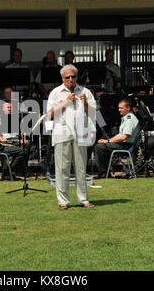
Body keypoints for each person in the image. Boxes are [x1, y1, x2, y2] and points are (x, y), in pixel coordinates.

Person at [47, 64, 96, 210]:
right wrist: (66, 101)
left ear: (77, 77)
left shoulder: (85, 92)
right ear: (62, 78)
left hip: (81, 134)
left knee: (81, 169)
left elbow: (93, 114)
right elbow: (49, 114)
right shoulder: (56, 93)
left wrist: (85, 103)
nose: (70, 79)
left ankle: (83, 199)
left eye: (73, 76)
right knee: (62, 169)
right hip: (62, 133)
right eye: (67, 77)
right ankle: (63, 201)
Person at [94, 98, 140, 179]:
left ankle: (104, 174)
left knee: (99, 147)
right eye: (118, 108)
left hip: (128, 145)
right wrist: (108, 141)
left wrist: (108, 141)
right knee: (101, 146)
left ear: (128, 108)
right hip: (124, 143)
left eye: (121, 108)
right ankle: (106, 172)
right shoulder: (125, 118)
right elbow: (120, 134)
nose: (119, 110)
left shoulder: (130, 118)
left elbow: (124, 136)